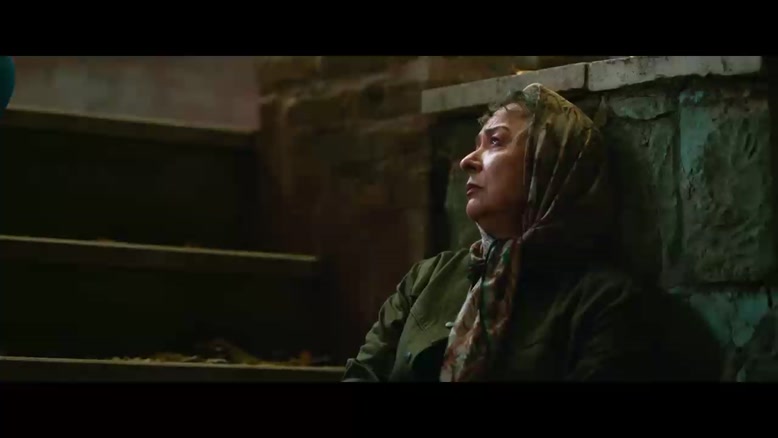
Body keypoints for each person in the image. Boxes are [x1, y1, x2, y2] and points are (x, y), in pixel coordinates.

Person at [341, 83, 721, 382]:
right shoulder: (428, 279)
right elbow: (363, 373)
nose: (467, 161)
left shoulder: (603, 302)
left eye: (495, 141)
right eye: (476, 145)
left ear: (548, 162)